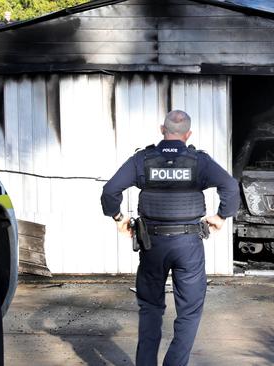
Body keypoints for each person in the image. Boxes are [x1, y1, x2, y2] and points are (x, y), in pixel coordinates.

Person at [100, 110, 240, 366]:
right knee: (189, 312)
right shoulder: (199, 162)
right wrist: (221, 217)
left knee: (151, 309)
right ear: (188, 134)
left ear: (161, 129)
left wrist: (119, 219)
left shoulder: (142, 159)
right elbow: (230, 186)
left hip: (152, 245)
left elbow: (110, 191)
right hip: (188, 245)